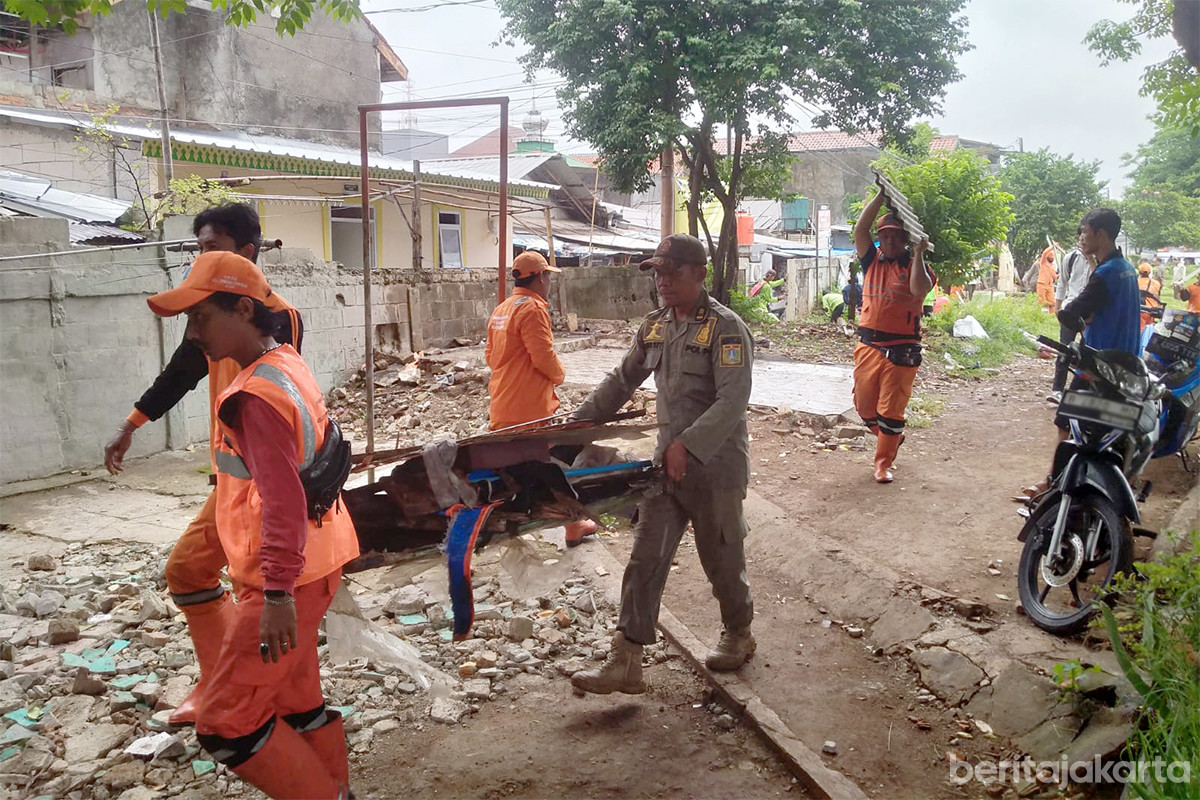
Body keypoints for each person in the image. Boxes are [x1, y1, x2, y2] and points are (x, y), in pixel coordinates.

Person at [146, 251, 359, 799]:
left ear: (242, 308)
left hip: (284, 578)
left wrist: (277, 595)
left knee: (225, 723)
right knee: (296, 702)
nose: (193, 334)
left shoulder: (252, 397)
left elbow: (283, 500)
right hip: (322, 554)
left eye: (200, 319)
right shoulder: (285, 362)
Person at [103, 203, 303, 726]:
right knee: (207, 573)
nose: (199, 261)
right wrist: (132, 424)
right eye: (198, 251)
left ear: (247, 254)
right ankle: (247, 689)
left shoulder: (273, 320)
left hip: (255, 480)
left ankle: (239, 697)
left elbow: (272, 421)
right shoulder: (210, 317)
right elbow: (182, 371)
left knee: (203, 572)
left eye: (211, 250)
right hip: (233, 475)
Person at [570, 234, 755, 694]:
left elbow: (733, 399)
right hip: (664, 467)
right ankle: (626, 658)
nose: (662, 281)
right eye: (657, 272)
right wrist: (575, 428)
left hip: (715, 468)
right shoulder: (655, 326)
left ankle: (738, 631)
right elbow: (621, 380)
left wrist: (688, 446)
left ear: (699, 274)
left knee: (723, 561)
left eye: (672, 271)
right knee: (644, 558)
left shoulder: (726, 328)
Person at [1020, 208, 1140, 500]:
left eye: (1084, 231)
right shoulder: (1126, 269)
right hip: (1127, 365)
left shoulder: (1105, 274)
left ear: (1101, 234)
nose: (1081, 237)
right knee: (1112, 426)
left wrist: (1079, 320)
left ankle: (1055, 481)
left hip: (1099, 365)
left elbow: (1069, 313)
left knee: (1067, 421)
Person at [485, 250, 597, 547]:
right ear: (540, 278)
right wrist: (559, 376)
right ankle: (572, 523)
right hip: (529, 407)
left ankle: (568, 523)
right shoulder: (533, 309)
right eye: (547, 275)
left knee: (519, 466)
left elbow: (489, 356)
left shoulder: (503, 309)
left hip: (502, 402)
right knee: (545, 467)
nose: (549, 282)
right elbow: (543, 357)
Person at [851, 191, 934, 484]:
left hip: (902, 350)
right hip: (868, 345)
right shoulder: (871, 261)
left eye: (895, 237)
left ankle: (883, 463)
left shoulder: (915, 266)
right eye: (885, 236)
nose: (889, 241)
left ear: (904, 241)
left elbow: (919, 290)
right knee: (864, 407)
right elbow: (860, 230)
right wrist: (879, 197)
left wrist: (920, 254)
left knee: (891, 410)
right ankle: (891, 437)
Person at [1048, 246, 1094, 403]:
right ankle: (1057, 390)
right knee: (1064, 349)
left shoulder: (1099, 260)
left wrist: (1091, 259)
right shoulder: (1070, 258)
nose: (1083, 241)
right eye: (1081, 237)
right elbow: (1062, 283)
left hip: (1090, 314)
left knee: (1087, 352)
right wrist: (1058, 306)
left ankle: (1082, 391)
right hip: (1070, 309)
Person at [1138, 261, 1164, 331]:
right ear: (1150, 272)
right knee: (1149, 332)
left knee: (1139, 332)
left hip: (1140, 310)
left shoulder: (1135, 281)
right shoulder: (1156, 283)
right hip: (1152, 311)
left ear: (1139, 272)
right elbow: (1158, 296)